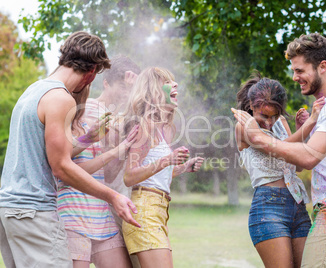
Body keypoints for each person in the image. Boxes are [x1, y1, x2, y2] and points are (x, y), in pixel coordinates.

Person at [0, 31, 139, 268]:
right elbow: (61, 167)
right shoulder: (61, 98)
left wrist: (87, 138)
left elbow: (48, 152)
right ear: (92, 72)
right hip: (35, 211)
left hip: (10, 211)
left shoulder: (33, 91)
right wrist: (113, 196)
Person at [232, 33, 326, 268]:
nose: (295, 77)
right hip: (322, 207)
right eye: (293, 70)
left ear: (322, 66)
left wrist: (260, 138)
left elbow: (307, 157)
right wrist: (307, 127)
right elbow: (301, 158)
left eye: (300, 70)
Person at [235, 71, 325, 268]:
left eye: (274, 115)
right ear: (251, 105)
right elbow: (274, 149)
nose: (268, 122)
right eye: (263, 116)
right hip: (268, 206)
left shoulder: (282, 123)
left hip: (297, 206)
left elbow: (298, 165)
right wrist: (310, 124)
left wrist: (300, 131)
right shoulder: (244, 126)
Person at [121, 67, 204, 268]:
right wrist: (168, 159)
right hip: (145, 211)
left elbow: (154, 176)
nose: (175, 84)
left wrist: (182, 167)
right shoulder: (145, 125)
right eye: (167, 82)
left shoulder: (157, 128)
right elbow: (129, 177)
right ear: (153, 91)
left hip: (157, 210)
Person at [57, 87, 139, 266]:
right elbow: (67, 173)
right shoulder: (62, 129)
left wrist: (120, 145)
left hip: (102, 216)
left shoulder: (89, 128)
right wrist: (114, 151)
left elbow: (106, 175)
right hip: (73, 215)